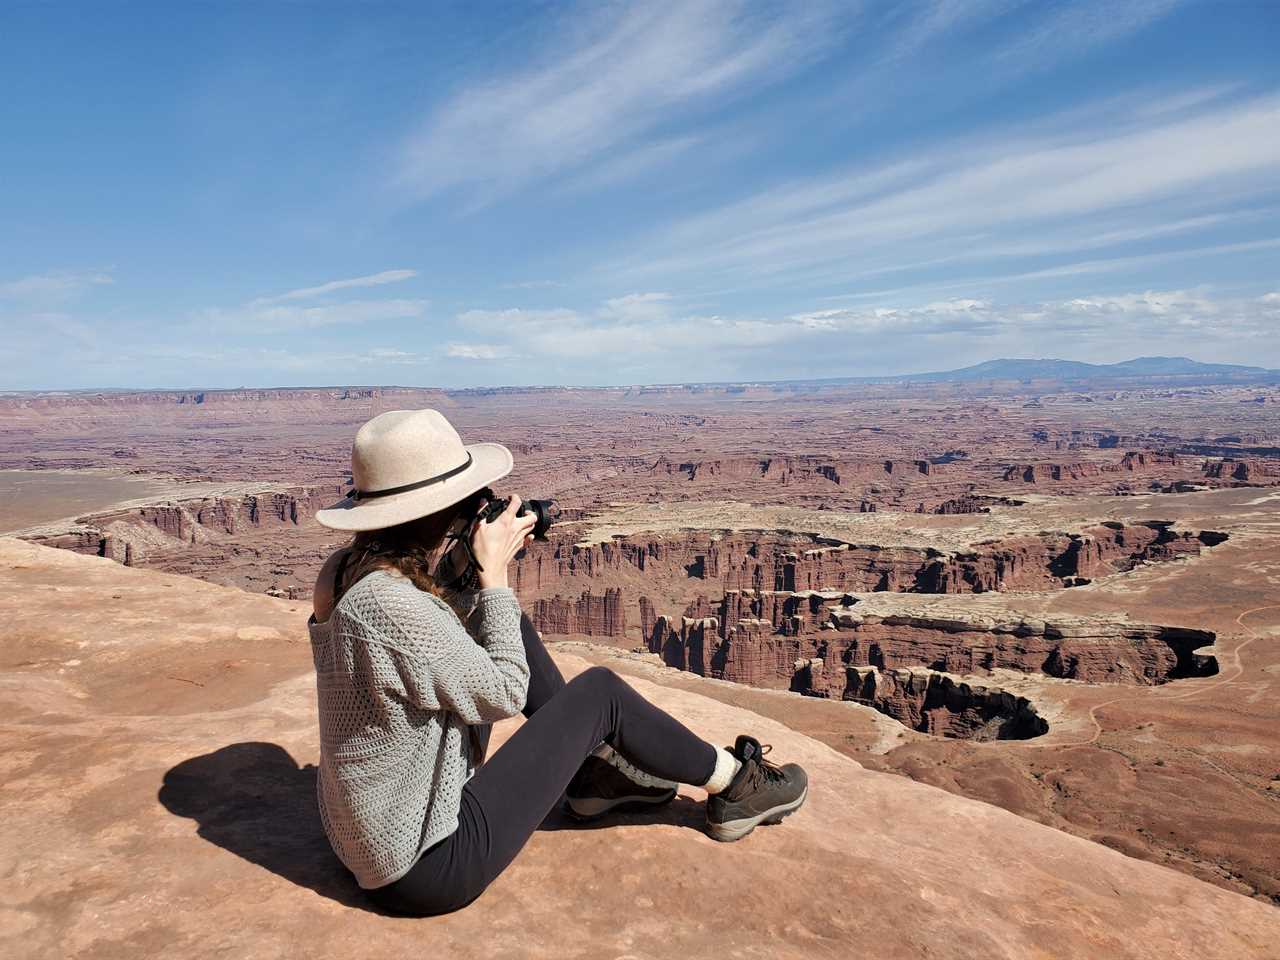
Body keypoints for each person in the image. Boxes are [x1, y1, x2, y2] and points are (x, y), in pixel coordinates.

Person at [308, 408, 808, 916]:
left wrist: (466, 580)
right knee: (600, 694)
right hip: (425, 865)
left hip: (367, 837)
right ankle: (735, 785)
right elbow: (501, 693)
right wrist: (493, 577)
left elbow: (423, 654)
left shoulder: (345, 572)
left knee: (503, 624)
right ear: (436, 508)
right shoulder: (392, 607)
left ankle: (594, 779)